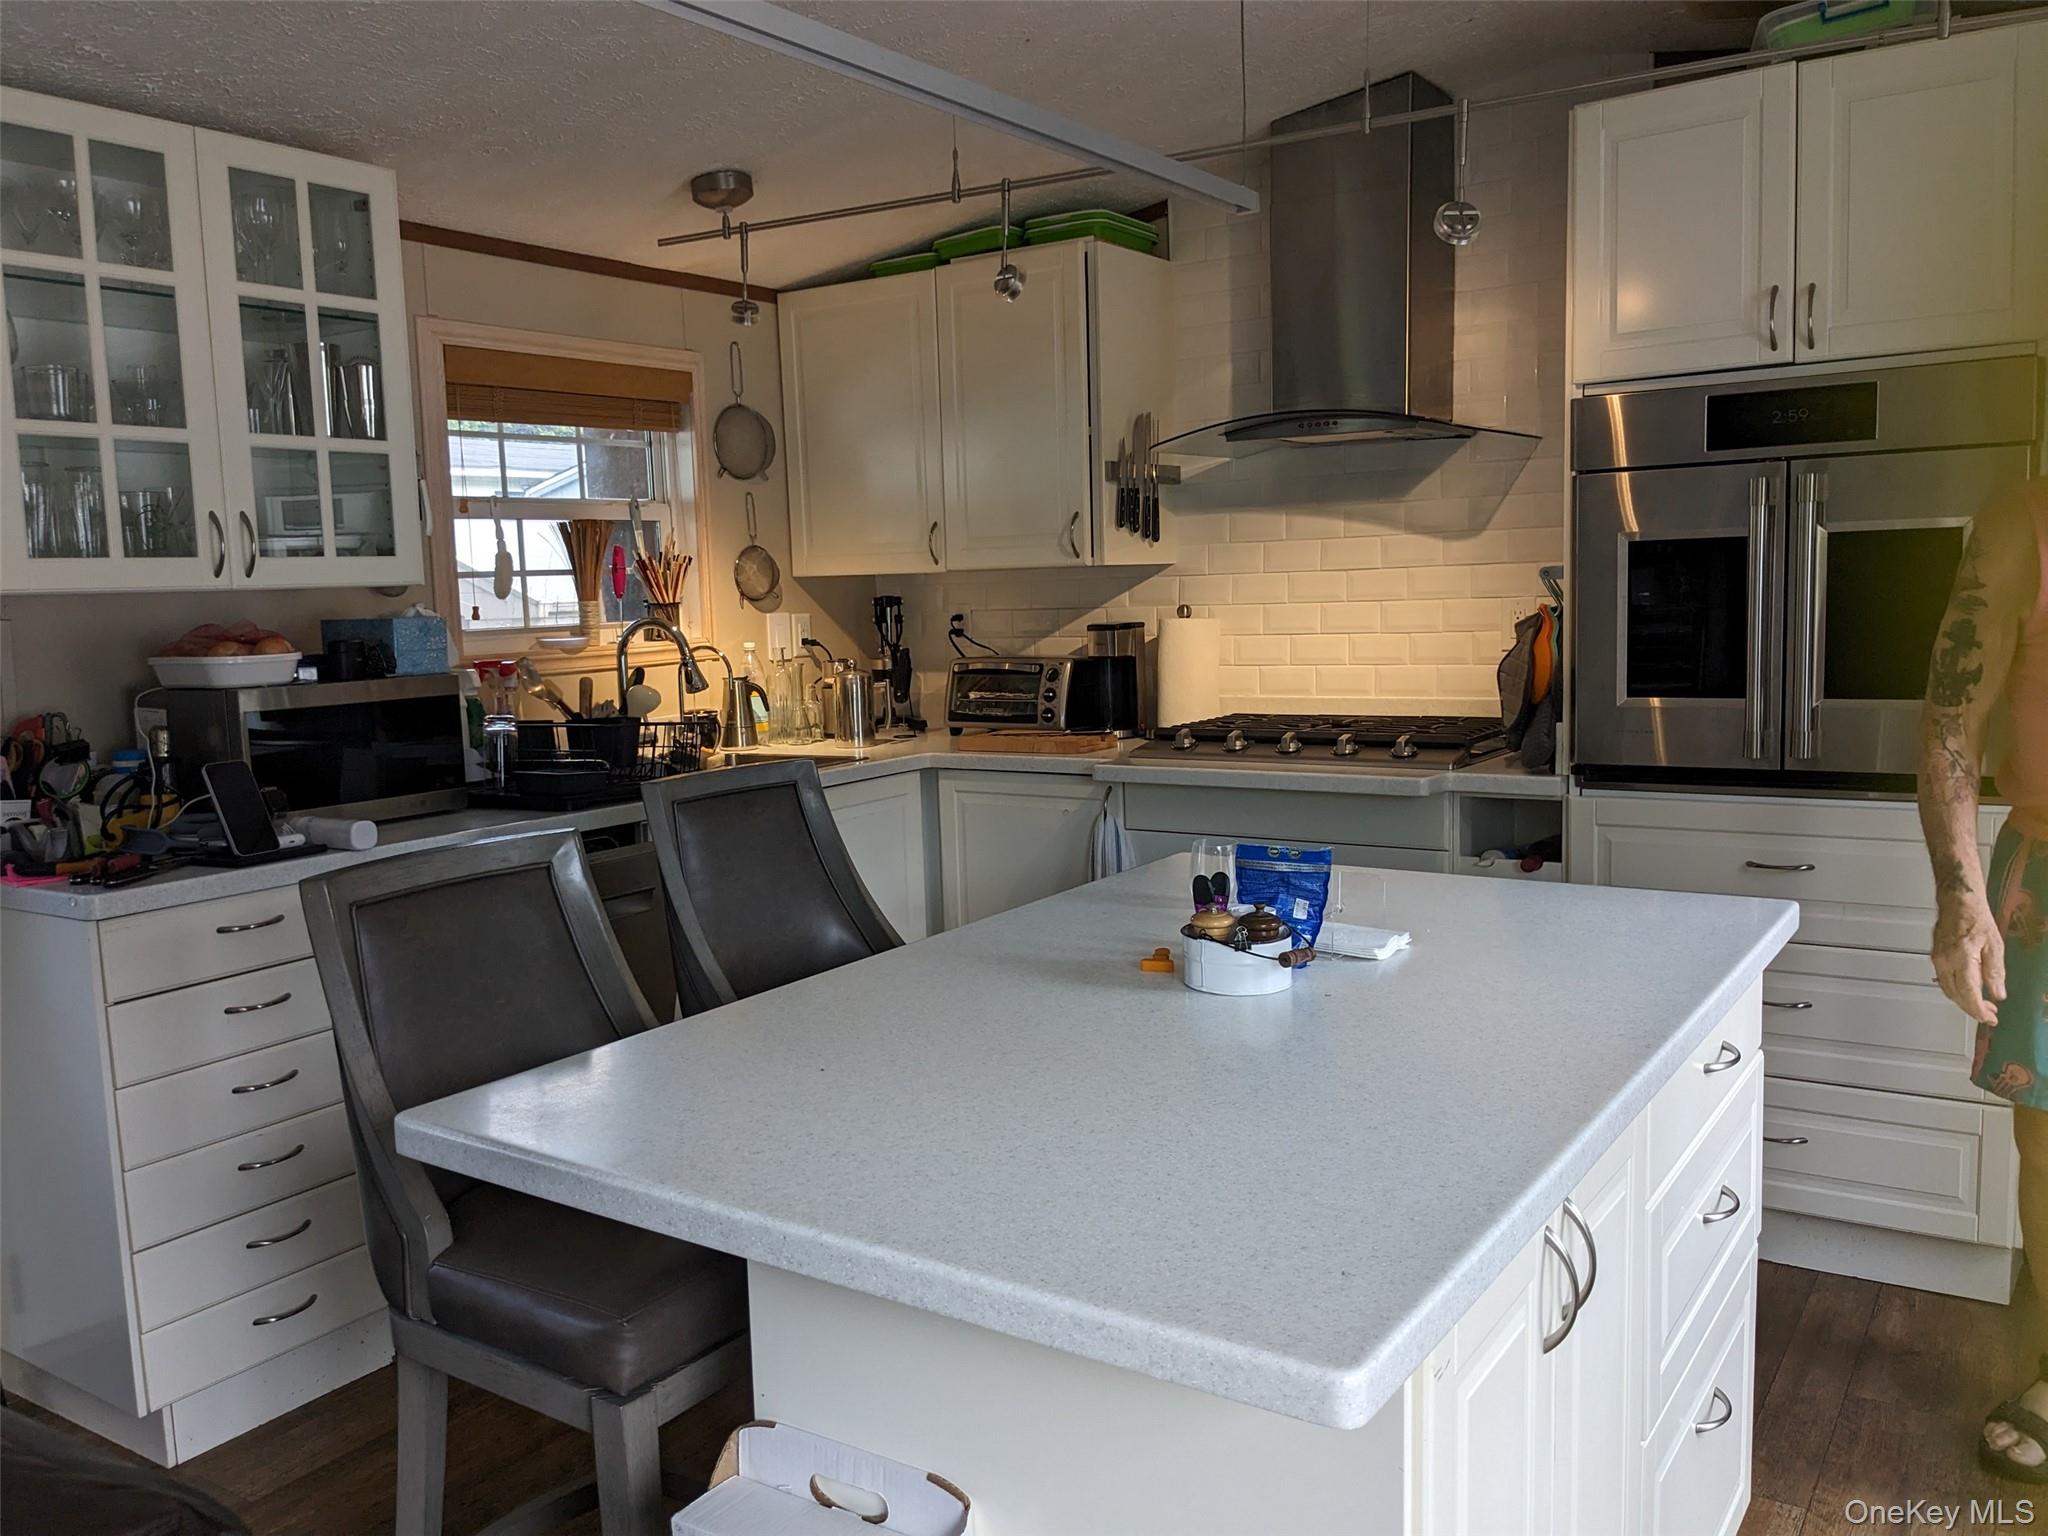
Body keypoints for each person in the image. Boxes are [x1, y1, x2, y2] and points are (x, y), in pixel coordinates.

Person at [1920, 476, 2048, 1479]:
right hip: (2044, 869)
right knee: (2047, 1144)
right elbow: (1951, 722)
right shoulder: (2022, 521)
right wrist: (1961, 896)